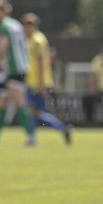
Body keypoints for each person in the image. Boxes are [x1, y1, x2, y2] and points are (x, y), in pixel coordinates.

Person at [0, 0, 36, 147]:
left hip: (15, 70)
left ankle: (31, 137)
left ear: (1, 11)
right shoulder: (15, 24)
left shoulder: (4, 26)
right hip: (17, 68)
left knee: (19, 103)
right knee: (1, 102)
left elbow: (1, 49)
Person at [21, 13, 71, 144]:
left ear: (32, 26)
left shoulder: (37, 40)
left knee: (34, 112)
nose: (24, 29)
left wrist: (41, 85)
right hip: (33, 81)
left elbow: (41, 63)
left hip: (37, 83)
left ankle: (59, 128)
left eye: (26, 25)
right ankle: (58, 129)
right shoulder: (34, 39)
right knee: (35, 113)